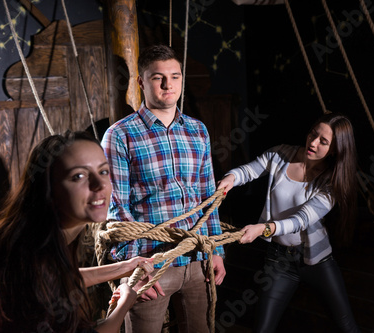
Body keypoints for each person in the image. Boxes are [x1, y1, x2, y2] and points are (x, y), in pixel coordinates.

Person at [0, 131, 158, 333]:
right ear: (49, 189)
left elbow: (59, 278)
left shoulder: (38, 239)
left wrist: (125, 267)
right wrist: (124, 303)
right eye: (79, 176)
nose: (100, 185)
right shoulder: (28, 255)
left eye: (104, 171)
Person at [101, 44, 226, 333]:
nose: (168, 84)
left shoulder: (198, 130)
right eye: (158, 77)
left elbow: (209, 196)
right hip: (150, 263)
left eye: (175, 76)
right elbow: (117, 207)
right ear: (141, 82)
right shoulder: (120, 135)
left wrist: (216, 250)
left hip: (198, 260)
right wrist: (132, 270)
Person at [218, 113, 360, 332]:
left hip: (318, 261)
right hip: (279, 261)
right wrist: (230, 179)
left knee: (347, 327)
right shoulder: (280, 154)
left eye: (323, 142)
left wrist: (264, 228)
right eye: (314, 134)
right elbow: (250, 170)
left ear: (335, 149)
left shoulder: (332, 182)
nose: (313, 143)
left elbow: (301, 219)